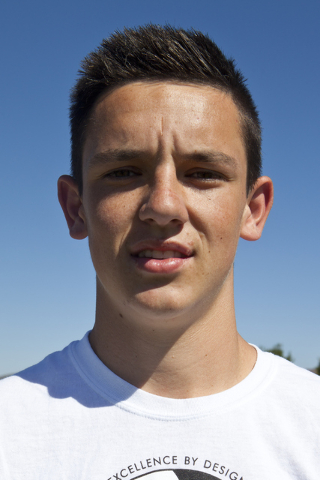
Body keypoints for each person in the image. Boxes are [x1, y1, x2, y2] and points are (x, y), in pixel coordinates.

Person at [0, 25, 319, 479]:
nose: (163, 206)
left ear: (253, 209)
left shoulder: (312, 426)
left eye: (203, 173)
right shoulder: (9, 436)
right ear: (75, 209)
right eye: (124, 171)